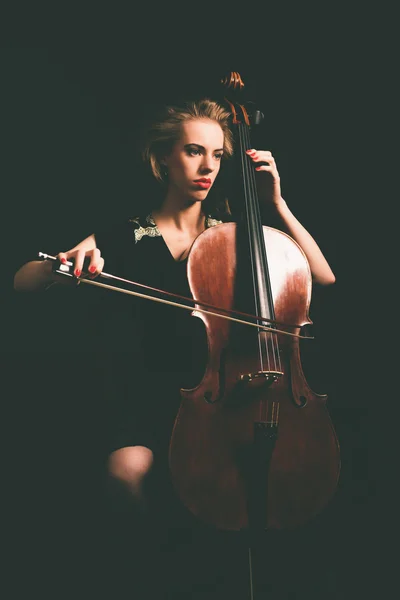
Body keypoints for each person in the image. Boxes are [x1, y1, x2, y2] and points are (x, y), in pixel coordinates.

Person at [13, 97, 336, 598]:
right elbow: (23, 281)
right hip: (148, 395)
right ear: (163, 157)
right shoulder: (127, 235)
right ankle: (160, 575)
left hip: (230, 395)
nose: (207, 166)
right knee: (127, 472)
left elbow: (321, 277)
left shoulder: (233, 235)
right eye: (192, 151)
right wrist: (67, 265)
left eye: (218, 155)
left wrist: (276, 203)